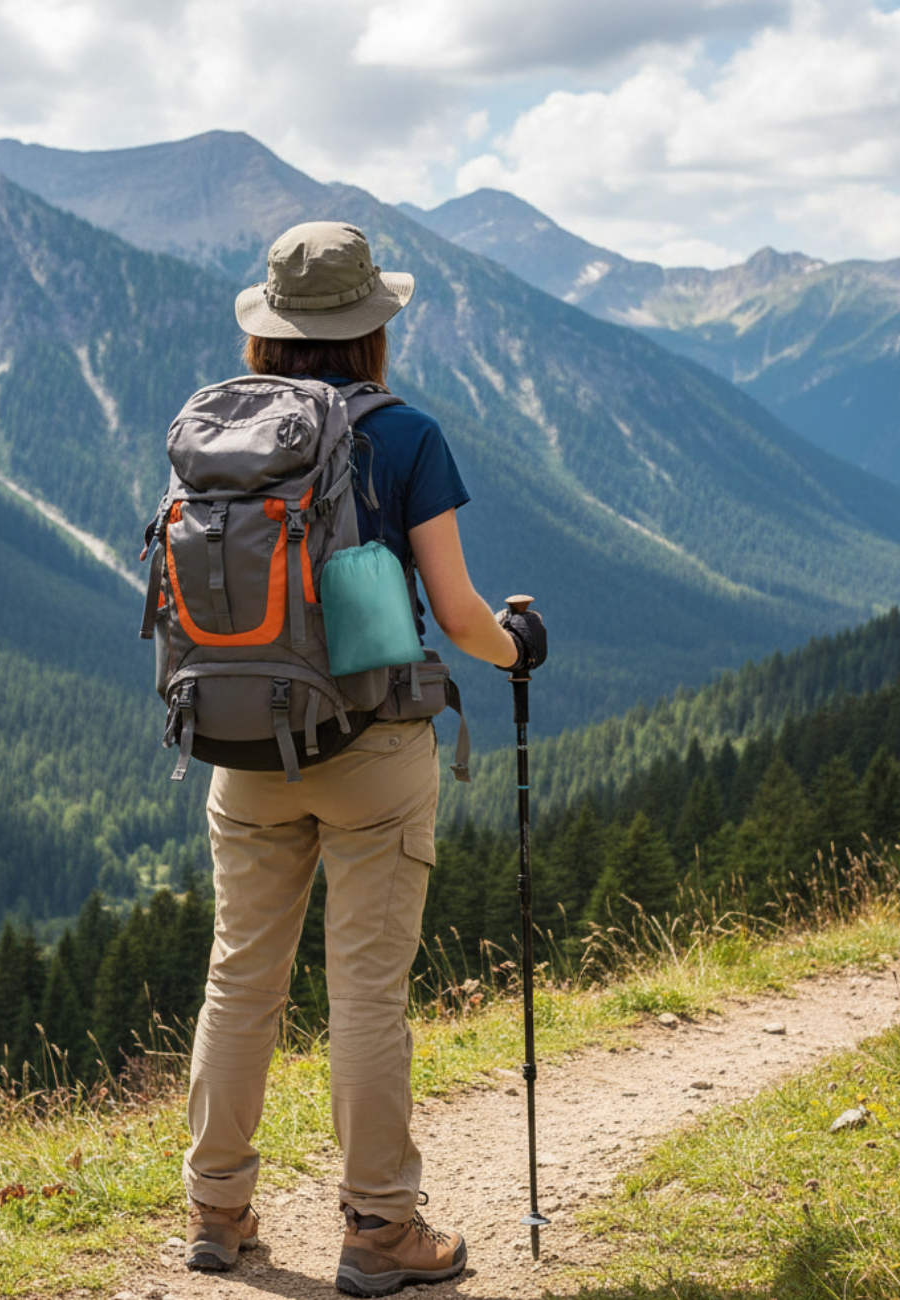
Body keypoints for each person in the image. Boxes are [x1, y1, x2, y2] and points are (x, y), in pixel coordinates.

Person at [180, 221, 548, 1296]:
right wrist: (518, 645)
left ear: (271, 327)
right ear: (371, 327)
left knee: (239, 978)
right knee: (366, 996)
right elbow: (457, 611)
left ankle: (217, 1211)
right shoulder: (407, 435)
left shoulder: (216, 432)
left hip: (242, 742)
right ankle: (380, 1228)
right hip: (372, 748)